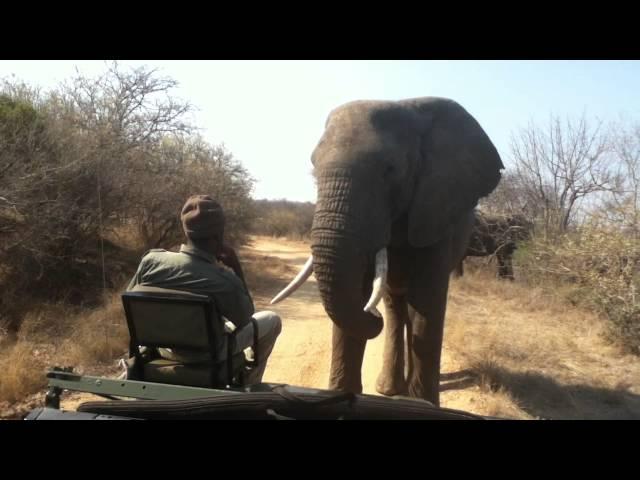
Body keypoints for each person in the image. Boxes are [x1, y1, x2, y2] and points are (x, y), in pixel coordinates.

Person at [127, 195, 282, 384]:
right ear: (218, 235)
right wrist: (236, 267)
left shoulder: (151, 261)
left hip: (163, 349)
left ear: (186, 230)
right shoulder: (222, 279)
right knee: (272, 320)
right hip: (207, 355)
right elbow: (245, 318)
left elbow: (132, 300)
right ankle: (250, 382)